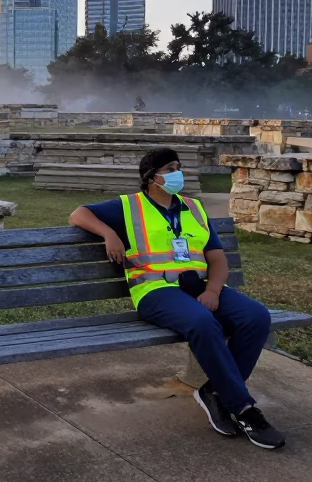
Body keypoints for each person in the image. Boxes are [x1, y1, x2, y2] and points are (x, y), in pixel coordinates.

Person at [67, 147, 286, 449]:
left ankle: (217, 393)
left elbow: (218, 259)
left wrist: (212, 291)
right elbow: (78, 214)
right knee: (202, 322)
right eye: (170, 168)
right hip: (156, 291)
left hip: (200, 287)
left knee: (256, 317)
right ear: (151, 177)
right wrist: (109, 233)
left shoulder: (194, 208)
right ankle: (244, 409)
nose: (177, 174)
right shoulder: (129, 207)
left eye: (178, 167)